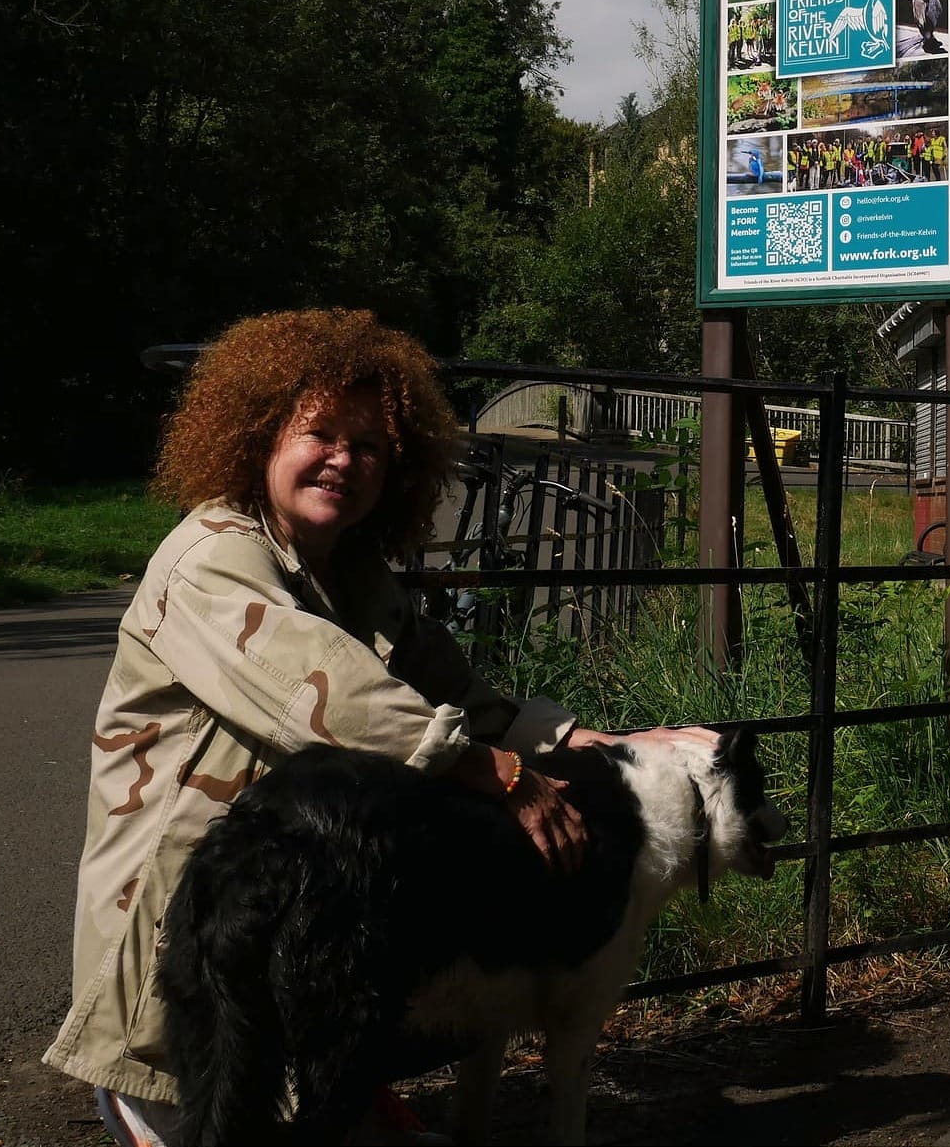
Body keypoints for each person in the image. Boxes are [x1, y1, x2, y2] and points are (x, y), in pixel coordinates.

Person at [42, 308, 709, 1145]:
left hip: (295, 926)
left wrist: (587, 743)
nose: (343, 460)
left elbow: (458, 690)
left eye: (370, 446)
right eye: (317, 432)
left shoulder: (356, 574)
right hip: (183, 950)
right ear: (258, 437)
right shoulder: (211, 555)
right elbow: (331, 690)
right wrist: (500, 773)